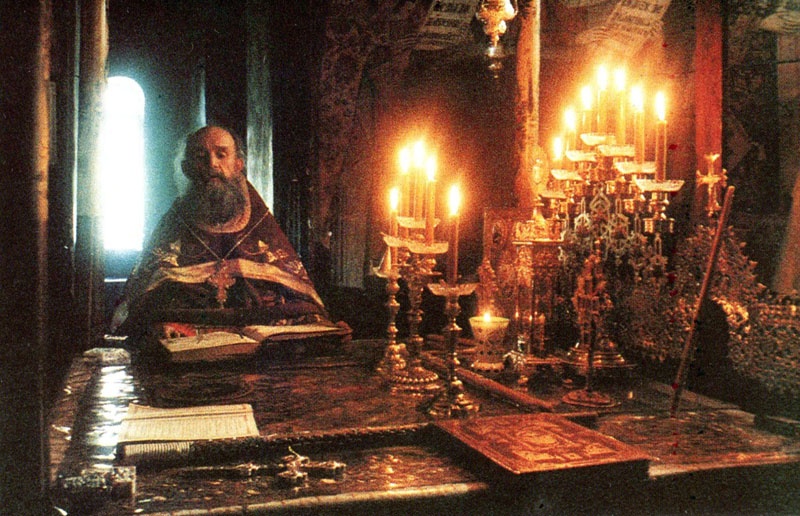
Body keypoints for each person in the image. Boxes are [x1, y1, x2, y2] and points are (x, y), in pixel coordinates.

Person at [111, 126, 343, 341]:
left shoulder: (260, 222)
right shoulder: (174, 224)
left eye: (221, 155)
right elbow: (142, 305)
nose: (212, 164)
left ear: (238, 164)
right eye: (201, 157)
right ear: (186, 168)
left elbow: (299, 298)